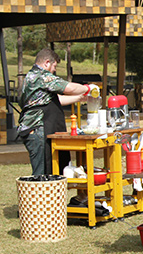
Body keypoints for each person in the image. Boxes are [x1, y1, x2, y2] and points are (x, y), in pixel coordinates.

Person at [18, 48, 91, 176]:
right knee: (42, 174)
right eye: (54, 66)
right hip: (38, 130)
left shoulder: (33, 77)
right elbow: (68, 88)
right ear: (47, 63)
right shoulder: (40, 76)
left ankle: (51, 195)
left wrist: (79, 98)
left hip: (42, 130)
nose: (54, 70)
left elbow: (56, 100)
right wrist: (88, 88)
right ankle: (40, 195)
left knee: (53, 171)